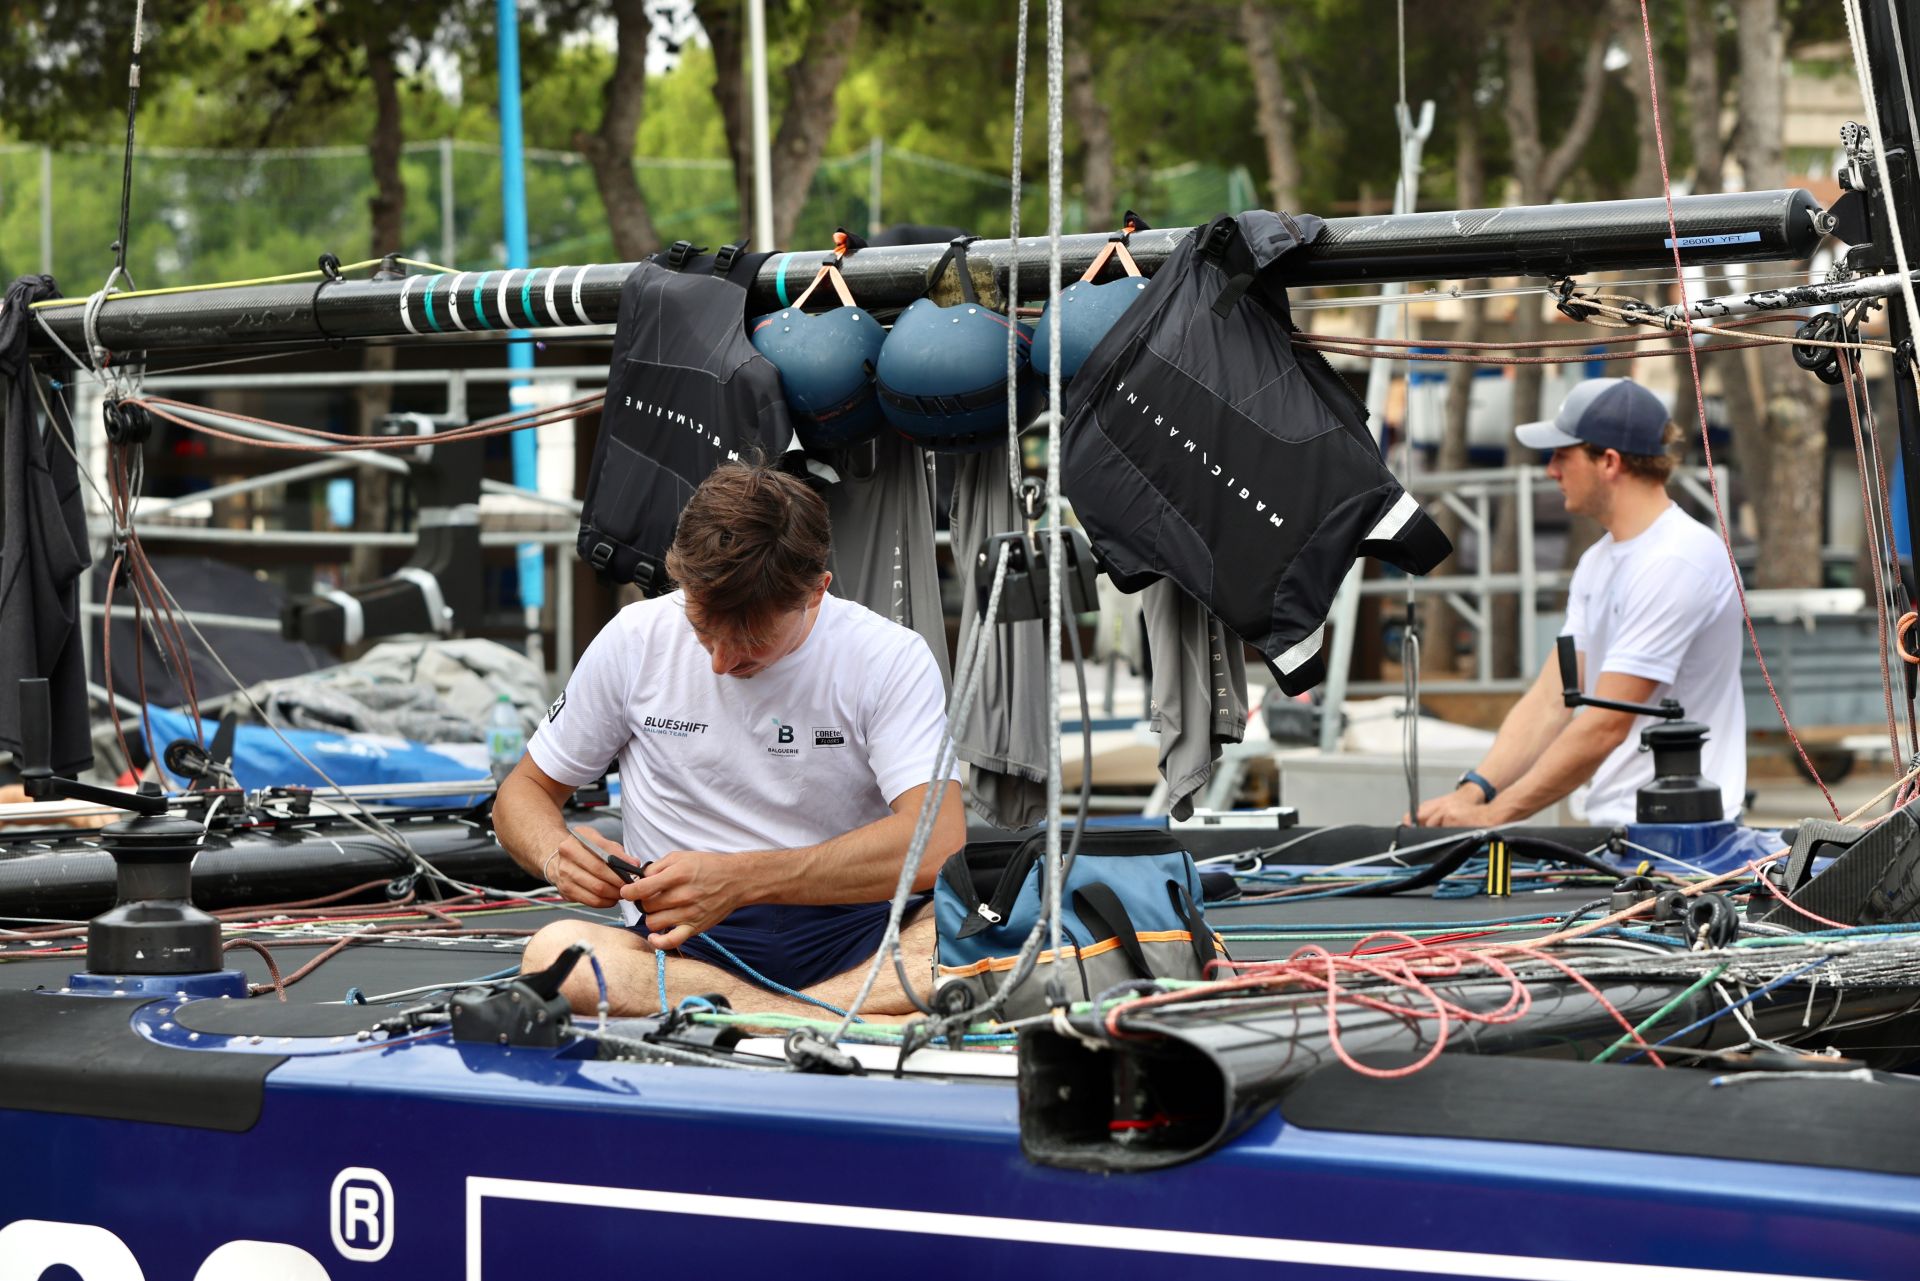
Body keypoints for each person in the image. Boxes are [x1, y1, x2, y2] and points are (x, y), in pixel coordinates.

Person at [498, 462, 965, 1018]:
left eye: (750, 639)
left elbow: (938, 841)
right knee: (558, 954)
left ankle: (744, 1016)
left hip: (861, 933)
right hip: (684, 949)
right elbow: (522, 792)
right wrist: (556, 855)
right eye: (702, 628)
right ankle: (831, 1017)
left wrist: (743, 879)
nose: (720, 662)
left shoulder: (888, 656)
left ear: (817, 592)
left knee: (1004, 937)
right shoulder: (635, 638)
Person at [1415, 377, 1746, 828]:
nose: (1551, 469)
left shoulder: (1678, 559)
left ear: (1608, 461)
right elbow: (1551, 700)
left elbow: (1607, 724)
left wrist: (1495, 815)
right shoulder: (1599, 560)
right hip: (1621, 827)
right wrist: (1474, 792)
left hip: (1683, 836)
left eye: (1562, 455)